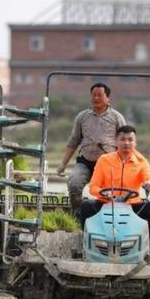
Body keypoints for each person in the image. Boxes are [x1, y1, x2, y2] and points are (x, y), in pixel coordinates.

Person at [80, 125, 150, 250]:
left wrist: (148, 185)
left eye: (130, 139)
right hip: (107, 203)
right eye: (123, 139)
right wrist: (103, 194)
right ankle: (85, 242)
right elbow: (93, 187)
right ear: (116, 141)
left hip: (132, 205)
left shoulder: (142, 161)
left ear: (135, 142)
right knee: (86, 205)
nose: (126, 143)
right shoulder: (104, 160)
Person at [56, 82, 126, 218]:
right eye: (94, 95)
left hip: (109, 164)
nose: (96, 98)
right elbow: (73, 141)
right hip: (85, 162)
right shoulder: (82, 117)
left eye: (100, 95)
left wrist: (125, 162)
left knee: (113, 192)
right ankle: (77, 216)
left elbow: (126, 141)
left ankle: (109, 217)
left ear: (108, 98)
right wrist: (63, 163)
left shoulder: (117, 117)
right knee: (74, 183)